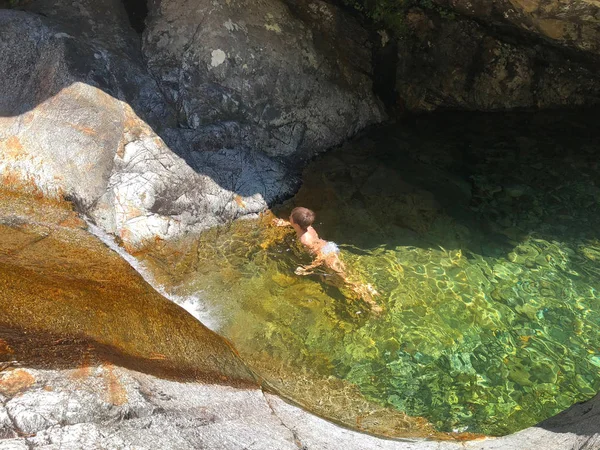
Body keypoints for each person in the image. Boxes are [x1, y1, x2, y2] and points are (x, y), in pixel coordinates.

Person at [273, 207, 382, 313]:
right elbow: (299, 228)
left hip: (327, 257)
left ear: (296, 224)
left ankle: (372, 304)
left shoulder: (304, 240)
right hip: (330, 247)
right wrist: (283, 223)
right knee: (345, 275)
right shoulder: (309, 228)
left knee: (346, 281)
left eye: (290, 217)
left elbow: (320, 257)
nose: (289, 217)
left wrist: (307, 268)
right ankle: (368, 288)